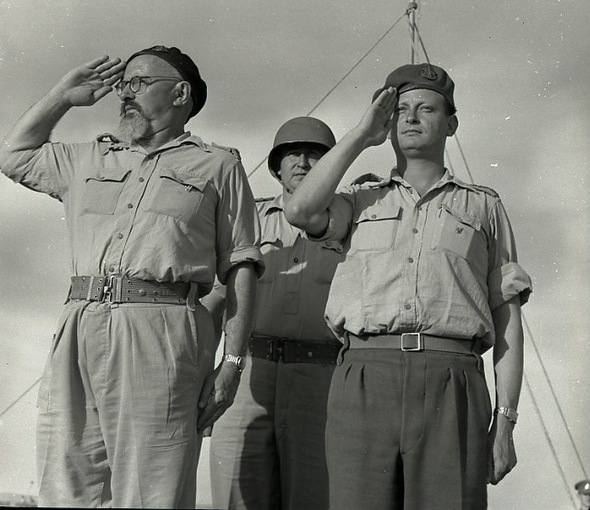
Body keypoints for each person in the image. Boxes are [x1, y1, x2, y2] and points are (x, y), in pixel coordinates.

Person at [0, 47, 264, 509]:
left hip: (160, 329)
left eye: (138, 83)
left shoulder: (217, 166)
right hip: (78, 324)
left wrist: (233, 364)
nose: (125, 93)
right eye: (122, 84)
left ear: (180, 93)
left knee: (150, 491)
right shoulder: (88, 159)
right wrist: (63, 95)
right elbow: (14, 154)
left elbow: (240, 266)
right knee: (67, 482)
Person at [285, 63, 532, 510]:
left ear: (451, 124)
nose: (411, 118)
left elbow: (507, 318)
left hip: (451, 380)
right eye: (399, 110)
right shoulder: (360, 199)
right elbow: (301, 211)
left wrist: (506, 423)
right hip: (364, 374)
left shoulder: (483, 207)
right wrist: (362, 134)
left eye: (426, 108)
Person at [204, 117, 345, 510]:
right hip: (249, 375)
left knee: (315, 498)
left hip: (322, 381)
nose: (302, 162)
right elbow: (217, 300)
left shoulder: (356, 224)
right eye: (292, 154)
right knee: (236, 495)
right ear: (276, 167)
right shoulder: (248, 220)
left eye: (315, 154)